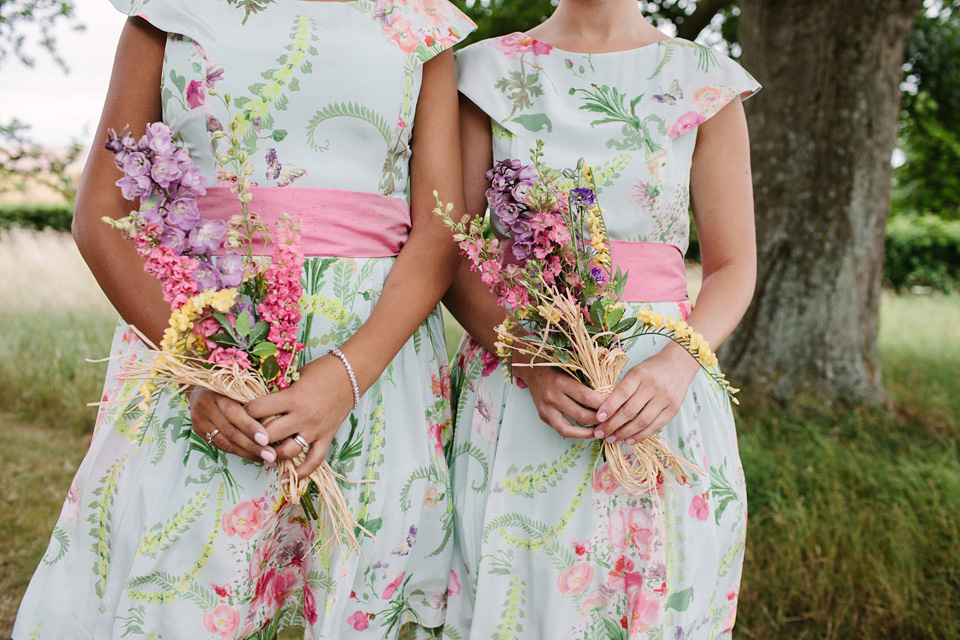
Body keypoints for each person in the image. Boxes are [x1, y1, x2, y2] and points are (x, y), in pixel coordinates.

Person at [14, 1, 474, 638]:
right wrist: (207, 371)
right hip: (203, 346)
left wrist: (346, 376)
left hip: (374, 362)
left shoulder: (421, 18)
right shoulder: (166, 8)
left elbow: (441, 233)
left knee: (363, 589)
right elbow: (101, 214)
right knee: (181, 594)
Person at [442, 0, 760, 636]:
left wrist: (678, 365)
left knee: (654, 594)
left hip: (659, 389)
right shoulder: (479, 72)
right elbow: (455, 253)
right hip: (524, 381)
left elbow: (732, 268)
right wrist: (529, 359)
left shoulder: (703, 79)